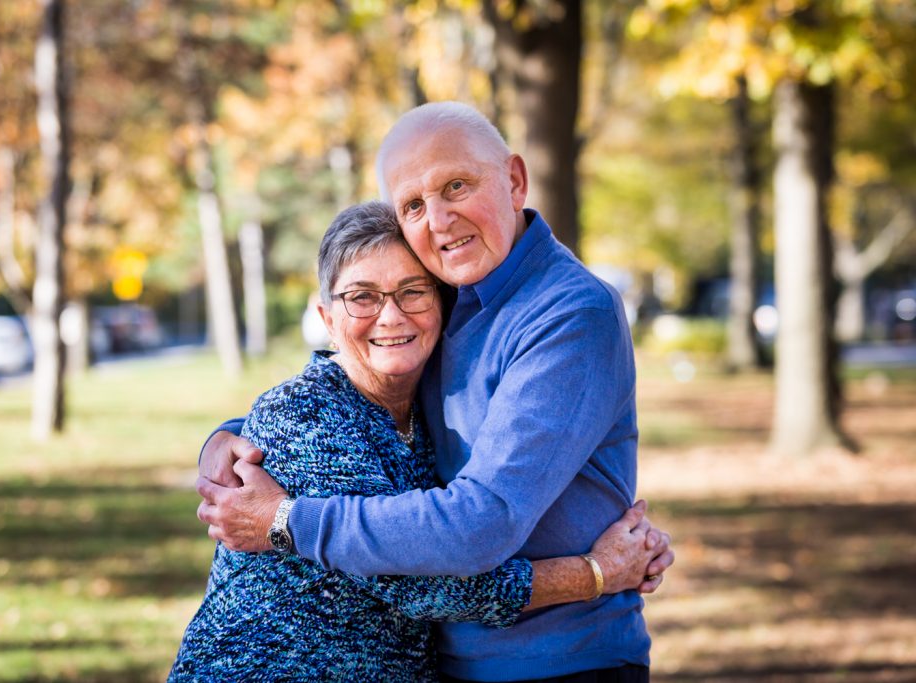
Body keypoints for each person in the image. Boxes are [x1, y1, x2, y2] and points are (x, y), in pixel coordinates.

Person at [197, 102, 674, 681]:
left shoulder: (569, 312)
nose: (440, 220)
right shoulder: (457, 296)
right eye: (414, 205)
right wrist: (233, 435)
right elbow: (343, 403)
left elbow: (484, 521)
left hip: (561, 661)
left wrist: (285, 519)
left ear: (515, 180)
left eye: (456, 186)